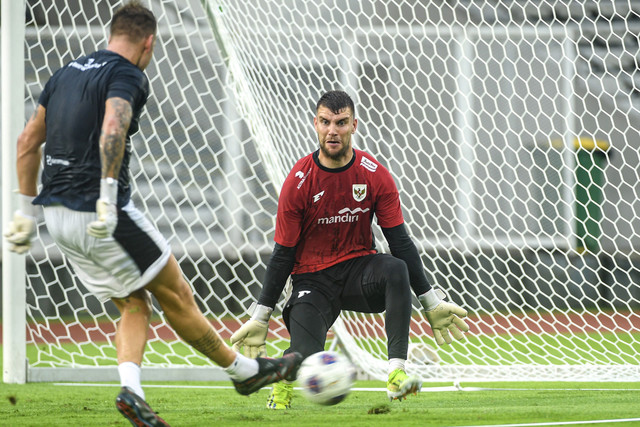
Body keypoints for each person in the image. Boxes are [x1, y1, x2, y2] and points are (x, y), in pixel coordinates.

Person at [3, 2, 301, 425]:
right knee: (176, 292)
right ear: (149, 42)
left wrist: (24, 214)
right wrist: (107, 194)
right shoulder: (127, 73)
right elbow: (113, 127)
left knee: (134, 303)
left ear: (112, 33)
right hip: (101, 211)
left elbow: (27, 142)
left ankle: (134, 391)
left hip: (57, 216)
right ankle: (244, 373)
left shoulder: (64, 73)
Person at [230, 90, 470, 409]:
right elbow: (283, 254)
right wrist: (261, 316)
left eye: (341, 123)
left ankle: (396, 375)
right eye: (326, 122)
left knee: (395, 267)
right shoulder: (298, 183)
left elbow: (400, 241)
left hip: (359, 273)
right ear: (315, 124)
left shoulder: (374, 175)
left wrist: (430, 301)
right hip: (311, 282)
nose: (333, 130)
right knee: (302, 355)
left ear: (354, 125)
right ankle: (283, 387)